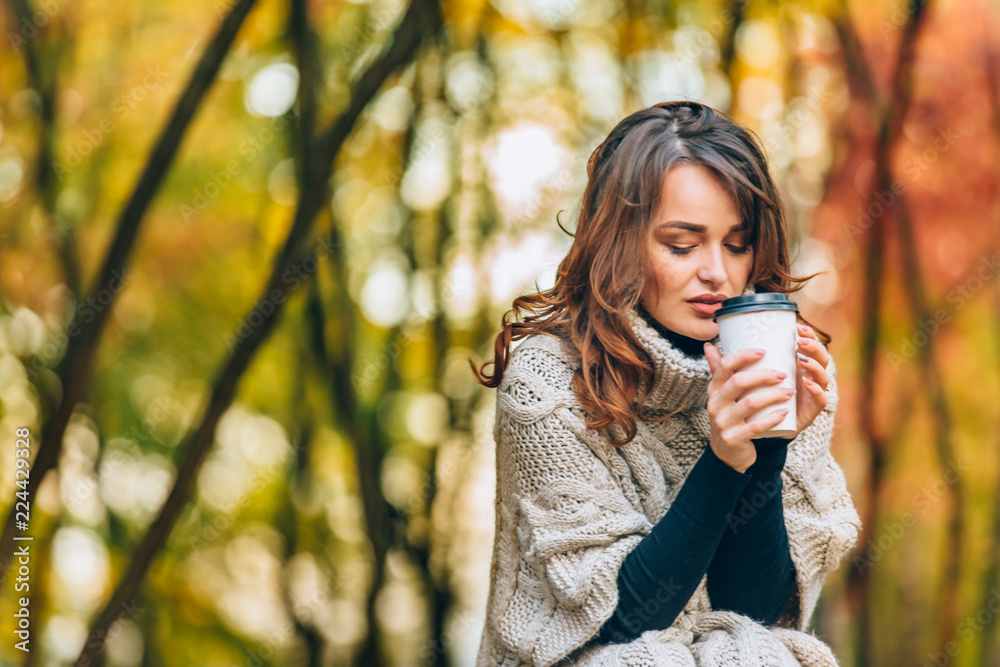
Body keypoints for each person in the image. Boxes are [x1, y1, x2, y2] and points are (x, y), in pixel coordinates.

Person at [469, 101, 861, 666]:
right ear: (621, 243)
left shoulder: (788, 370)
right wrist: (724, 461)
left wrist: (770, 445)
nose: (717, 273)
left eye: (737, 243)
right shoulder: (546, 381)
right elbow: (621, 621)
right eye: (682, 245)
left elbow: (757, 614)